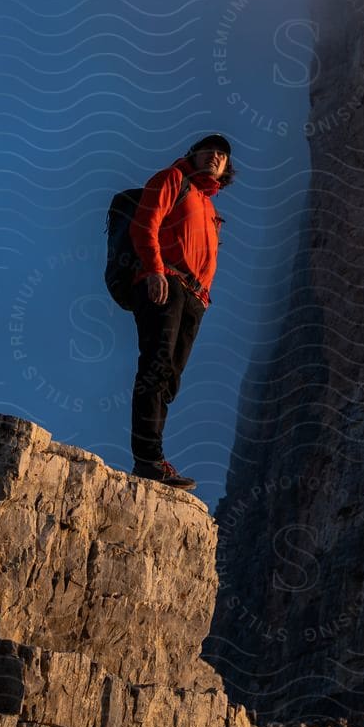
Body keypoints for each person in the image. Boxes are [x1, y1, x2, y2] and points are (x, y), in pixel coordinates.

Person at [127, 133, 234, 489]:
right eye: (209, 150)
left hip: (195, 298)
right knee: (156, 367)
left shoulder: (209, 206)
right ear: (193, 153)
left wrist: (202, 299)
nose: (215, 156)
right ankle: (147, 460)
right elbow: (145, 223)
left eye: (222, 154)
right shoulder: (174, 180)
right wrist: (155, 269)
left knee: (170, 377)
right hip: (167, 283)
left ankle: (153, 458)